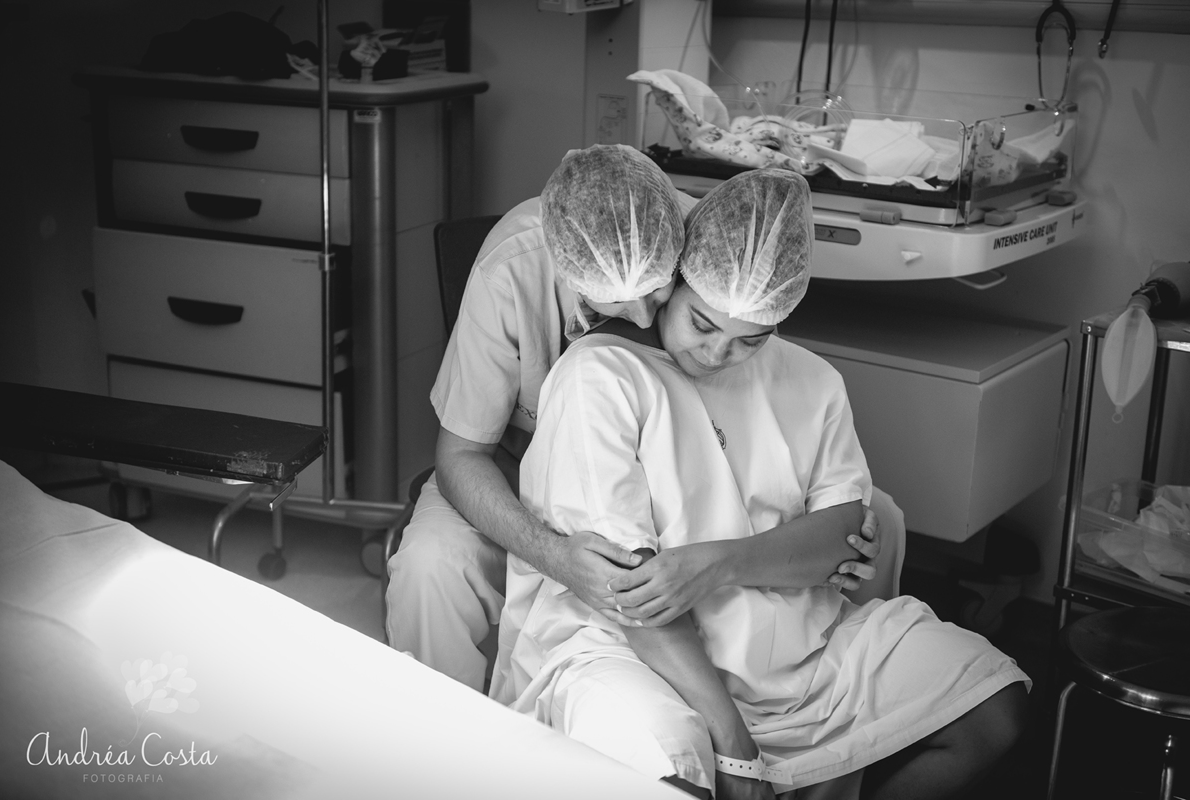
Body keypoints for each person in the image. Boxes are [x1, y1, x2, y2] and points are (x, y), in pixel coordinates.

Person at [492, 168, 1030, 800]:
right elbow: (633, 600)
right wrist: (735, 747)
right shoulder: (602, 378)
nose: (719, 354)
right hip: (630, 653)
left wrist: (714, 566)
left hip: (799, 645)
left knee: (995, 711)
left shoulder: (811, 380)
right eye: (701, 324)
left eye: (751, 339)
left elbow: (840, 537)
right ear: (674, 282)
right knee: (670, 767)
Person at [386, 144, 881, 692]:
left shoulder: (710, 239)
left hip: (654, 469)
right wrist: (553, 553)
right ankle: (436, 756)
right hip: (508, 463)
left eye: (660, 288)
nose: (646, 317)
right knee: (428, 572)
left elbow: (745, 381)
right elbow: (461, 456)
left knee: (882, 520)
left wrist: (821, 532)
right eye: (614, 304)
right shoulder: (512, 269)